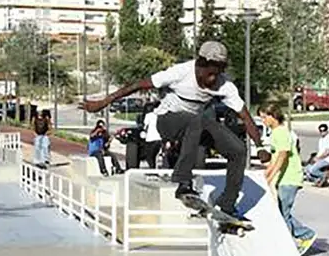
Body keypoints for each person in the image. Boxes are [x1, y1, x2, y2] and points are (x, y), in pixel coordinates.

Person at [80, 41, 270, 219]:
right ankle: (183, 183)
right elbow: (137, 85)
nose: (212, 80)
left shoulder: (225, 85)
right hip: (166, 120)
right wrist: (103, 103)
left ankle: (227, 205)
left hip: (195, 126)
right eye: (210, 74)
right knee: (195, 121)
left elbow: (245, 116)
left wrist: (260, 146)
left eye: (217, 74)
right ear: (200, 65)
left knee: (237, 149)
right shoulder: (180, 72)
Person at [260, 104, 317, 256]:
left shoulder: (281, 132)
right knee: (281, 212)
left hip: (289, 178)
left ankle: (297, 240)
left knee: (282, 214)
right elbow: (275, 158)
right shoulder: (275, 133)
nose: (263, 120)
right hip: (284, 178)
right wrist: (267, 174)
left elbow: (283, 155)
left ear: (273, 116)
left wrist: (272, 175)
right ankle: (302, 236)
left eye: (264, 117)